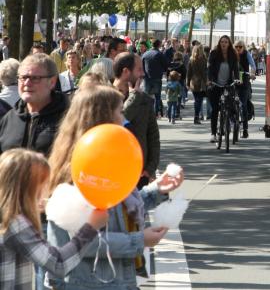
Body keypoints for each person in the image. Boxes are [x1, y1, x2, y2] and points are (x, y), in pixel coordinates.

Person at [46, 85, 181, 290]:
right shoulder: (77, 174)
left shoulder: (102, 160)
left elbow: (116, 207)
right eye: (120, 111)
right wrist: (139, 240)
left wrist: (157, 189)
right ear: (102, 117)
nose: (124, 119)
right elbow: (84, 242)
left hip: (118, 281)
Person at [0, 148, 108, 289]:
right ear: (27, 189)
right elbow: (58, 264)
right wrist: (91, 227)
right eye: (41, 186)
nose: (44, 191)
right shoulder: (16, 225)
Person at [0, 54, 67, 157]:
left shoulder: (68, 118)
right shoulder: (9, 119)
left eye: (35, 78)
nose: (27, 83)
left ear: (52, 82)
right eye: (23, 77)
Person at [113, 52, 159, 190]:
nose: (143, 73)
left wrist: (150, 168)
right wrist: (134, 97)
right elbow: (118, 124)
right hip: (114, 172)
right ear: (126, 72)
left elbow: (153, 137)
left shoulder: (145, 100)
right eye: (139, 69)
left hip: (140, 174)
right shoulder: (105, 97)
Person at [207, 35, 240, 143]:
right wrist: (209, 80)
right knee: (215, 109)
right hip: (215, 84)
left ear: (229, 43)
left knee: (230, 106)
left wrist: (237, 79)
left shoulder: (233, 55)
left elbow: (235, 69)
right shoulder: (214, 54)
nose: (224, 44)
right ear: (219, 43)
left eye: (226, 42)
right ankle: (213, 133)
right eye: (222, 42)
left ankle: (227, 123)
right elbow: (210, 68)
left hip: (228, 85)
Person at [235, 41, 255, 138]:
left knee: (243, 105)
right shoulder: (232, 54)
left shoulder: (247, 54)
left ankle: (245, 129)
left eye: (240, 47)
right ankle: (225, 123)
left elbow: (253, 65)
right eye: (236, 47)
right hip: (233, 82)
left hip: (244, 82)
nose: (238, 48)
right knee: (226, 102)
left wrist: (252, 73)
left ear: (243, 47)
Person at [142, 39, 167, 118]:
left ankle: (145, 113)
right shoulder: (159, 54)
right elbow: (165, 65)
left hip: (146, 78)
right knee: (157, 97)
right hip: (157, 77)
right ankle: (155, 114)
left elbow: (142, 65)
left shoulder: (145, 54)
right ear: (159, 45)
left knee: (146, 97)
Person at [187, 45, 208, 124]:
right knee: (199, 100)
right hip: (202, 83)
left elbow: (189, 72)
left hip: (194, 82)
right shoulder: (203, 59)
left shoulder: (191, 60)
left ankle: (196, 116)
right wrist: (207, 81)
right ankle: (196, 117)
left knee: (197, 100)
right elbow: (204, 72)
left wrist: (187, 83)